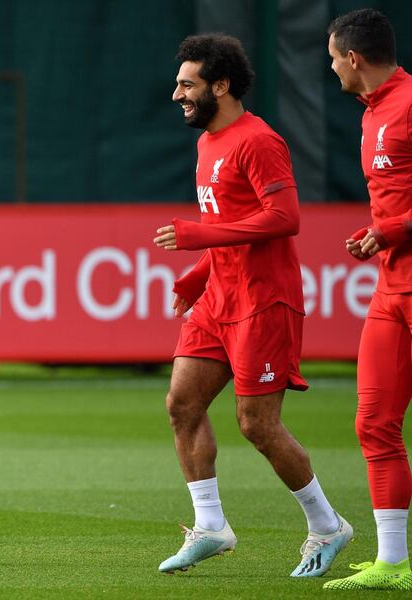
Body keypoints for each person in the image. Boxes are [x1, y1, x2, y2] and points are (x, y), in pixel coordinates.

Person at [153, 33, 351, 577]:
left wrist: (197, 240)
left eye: (187, 85)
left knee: (256, 423)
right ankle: (211, 526)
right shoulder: (206, 143)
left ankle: (328, 525)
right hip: (220, 295)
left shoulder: (258, 140)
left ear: (221, 86)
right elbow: (226, 226)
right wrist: (197, 275)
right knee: (181, 403)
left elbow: (285, 218)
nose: (177, 95)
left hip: (264, 301)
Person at [323, 9, 412, 591]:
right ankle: (393, 562)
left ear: (354, 58)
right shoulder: (373, 114)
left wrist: (394, 228)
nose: (331, 69)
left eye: (333, 58)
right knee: (374, 421)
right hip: (391, 288)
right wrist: (379, 235)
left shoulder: (409, 104)